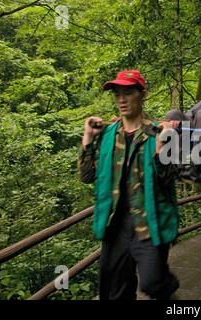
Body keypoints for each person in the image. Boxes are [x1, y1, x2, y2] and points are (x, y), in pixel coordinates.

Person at [78, 70, 180, 300]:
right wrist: (87, 139)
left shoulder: (161, 132)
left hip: (149, 221)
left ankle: (168, 290)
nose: (121, 99)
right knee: (114, 293)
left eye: (128, 92)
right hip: (115, 225)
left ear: (142, 95)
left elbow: (169, 179)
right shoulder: (107, 134)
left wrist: (161, 149)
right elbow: (87, 177)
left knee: (154, 283)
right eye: (117, 94)